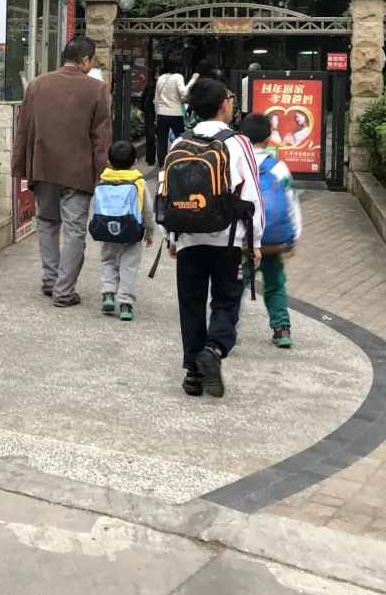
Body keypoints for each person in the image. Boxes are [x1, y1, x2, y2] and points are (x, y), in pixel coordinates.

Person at [160, 78, 265, 399]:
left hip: (187, 238)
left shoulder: (180, 141)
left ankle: (193, 373)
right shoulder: (238, 143)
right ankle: (214, 350)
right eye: (230, 98)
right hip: (227, 238)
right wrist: (255, 241)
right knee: (226, 299)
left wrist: (171, 236)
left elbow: (166, 190)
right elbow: (251, 194)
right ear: (223, 105)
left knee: (191, 302)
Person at [11, 37, 111, 307]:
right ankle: (64, 291)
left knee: (47, 223)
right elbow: (101, 138)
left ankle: (50, 280)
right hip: (78, 172)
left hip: (42, 167)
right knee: (75, 231)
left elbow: (23, 129)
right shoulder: (97, 89)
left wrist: (20, 166)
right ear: (86, 60)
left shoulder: (37, 84)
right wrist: (104, 175)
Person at [240, 112, 301, 348]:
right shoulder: (278, 167)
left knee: (235, 286)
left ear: (243, 137)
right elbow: (292, 202)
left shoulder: (236, 165)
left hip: (244, 242)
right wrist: (293, 236)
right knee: (275, 284)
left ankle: (226, 329)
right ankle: (282, 328)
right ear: (268, 138)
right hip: (272, 240)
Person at [95, 140, 155, 321]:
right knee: (129, 267)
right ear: (135, 162)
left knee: (108, 261)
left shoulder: (103, 180)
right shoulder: (139, 182)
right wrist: (150, 231)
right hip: (132, 231)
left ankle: (108, 294)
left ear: (109, 162)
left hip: (107, 230)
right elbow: (147, 210)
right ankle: (125, 304)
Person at [153, 59, 195, 158]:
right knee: (180, 138)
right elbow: (184, 92)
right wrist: (193, 80)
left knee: (162, 140)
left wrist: (156, 115)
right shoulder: (178, 77)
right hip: (175, 113)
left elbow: (157, 99)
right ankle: (180, 158)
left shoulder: (161, 78)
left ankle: (162, 163)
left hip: (161, 114)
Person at [140, 69, 158, 166]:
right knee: (150, 137)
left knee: (161, 138)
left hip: (161, 113)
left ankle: (162, 159)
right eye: (156, 75)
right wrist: (140, 109)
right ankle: (150, 159)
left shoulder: (165, 86)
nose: (157, 78)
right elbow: (143, 97)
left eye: (159, 75)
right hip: (150, 112)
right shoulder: (150, 86)